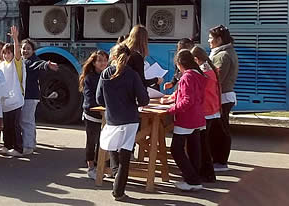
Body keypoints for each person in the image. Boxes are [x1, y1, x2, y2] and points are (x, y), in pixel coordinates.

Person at [96, 44, 149, 200]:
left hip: (112, 118)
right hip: (130, 119)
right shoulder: (132, 74)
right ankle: (118, 191)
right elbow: (144, 99)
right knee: (125, 156)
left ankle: (115, 174)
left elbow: (99, 98)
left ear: (112, 56)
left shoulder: (105, 74)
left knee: (112, 148)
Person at [161, 49, 206, 191]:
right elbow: (187, 94)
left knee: (176, 149)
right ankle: (194, 179)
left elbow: (187, 100)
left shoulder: (187, 76)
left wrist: (170, 110)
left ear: (180, 64)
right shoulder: (198, 74)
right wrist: (173, 98)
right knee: (194, 149)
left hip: (186, 118)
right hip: (198, 116)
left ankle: (191, 179)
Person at [20, 38, 59, 155]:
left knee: (26, 121)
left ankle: (28, 146)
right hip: (27, 96)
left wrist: (47, 64)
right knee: (29, 120)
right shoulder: (22, 61)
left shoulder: (32, 61)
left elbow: (39, 64)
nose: (25, 51)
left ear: (33, 50)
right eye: (23, 48)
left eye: (28, 49)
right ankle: (31, 143)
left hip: (30, 96)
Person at [208, 25, 239, 172]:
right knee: (219, 129)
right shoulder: (225, 52)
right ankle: (219, 160)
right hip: (223, 96)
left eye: (211, 38)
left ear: (219, 40)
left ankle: (220, 161)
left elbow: (216, 79)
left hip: (222, 97)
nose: (208, 41)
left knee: (219, 131)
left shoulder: (222, 55)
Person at [191, 45, 221, 183]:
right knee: (204, 143)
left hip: (205, 111)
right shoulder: (211, 69)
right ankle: (207, 173)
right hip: (212, 110)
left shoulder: (203, 73)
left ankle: (206, 173)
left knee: (202, 144)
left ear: (196, 59)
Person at [79, 50, 109, 179]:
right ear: (94, 63)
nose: (103, 63)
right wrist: (98, 106)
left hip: (106, 115)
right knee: (92, 141)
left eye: (105, 60)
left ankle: (103, 166)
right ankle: (91, 166)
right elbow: (89, 97)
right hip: (92, 114)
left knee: (104, 142)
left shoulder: (109, 74)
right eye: (100, 60)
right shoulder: (89, 77)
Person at [0, 26, 25, 157]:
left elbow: (18, 53)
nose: (7, 55)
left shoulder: (16, 63)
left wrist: (15, 39)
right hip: (5, 101)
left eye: (9, 53)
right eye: (5, 53)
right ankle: (7, 145)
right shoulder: (1, 65)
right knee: (6, 125)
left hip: (16, 100)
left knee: (15, 126)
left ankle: (18, 148)